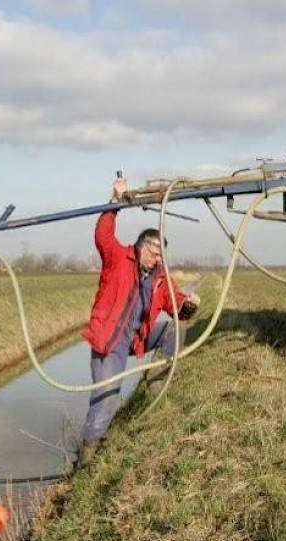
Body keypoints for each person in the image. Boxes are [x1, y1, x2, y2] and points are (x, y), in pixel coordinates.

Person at [77, 174, 200, 467]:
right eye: (154, 253)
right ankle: (87, 457)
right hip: (110, 343)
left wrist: (190, 305)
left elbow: (175, 305)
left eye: (161, 255)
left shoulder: (160, 278)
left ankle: (157, 380)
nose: (158, 259)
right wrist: (115, 201)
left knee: (172, 328)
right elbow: (102, 234)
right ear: (141, 246)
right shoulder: (118, 258)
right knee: (106, 395)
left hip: (136, 339)